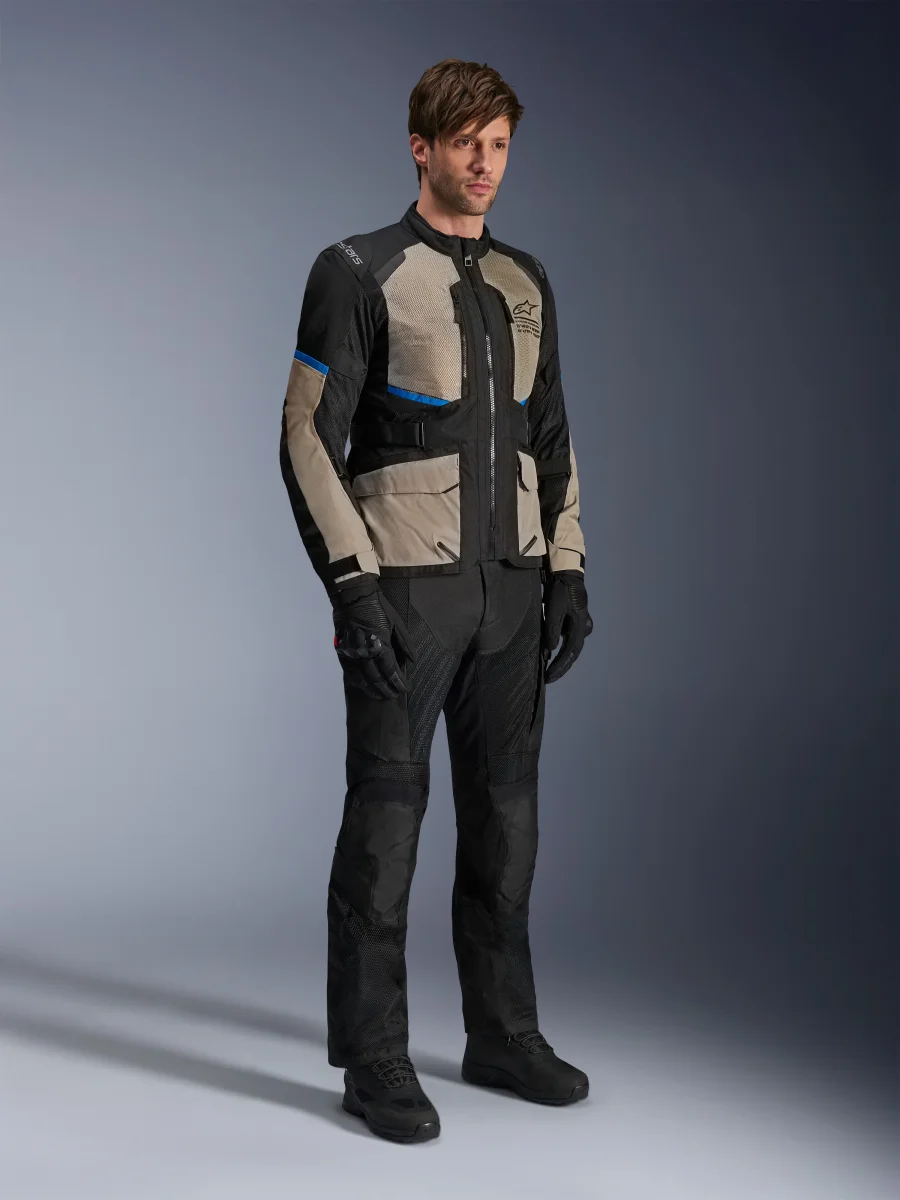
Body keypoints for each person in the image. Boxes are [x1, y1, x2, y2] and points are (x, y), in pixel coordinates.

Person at [279, 57, 593, 1144]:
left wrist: (569, 569)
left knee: (507, 825)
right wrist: (351, 583)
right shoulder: (357, 270)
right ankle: (373, 1059)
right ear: (421, 147)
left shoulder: (526, 281)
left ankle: (502, 1035)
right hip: (406, 599)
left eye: (500, 144)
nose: (485, 163)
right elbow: (305, 436)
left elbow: (553, 437)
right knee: (387, 829)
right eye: (467, 143)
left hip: (511, 597)